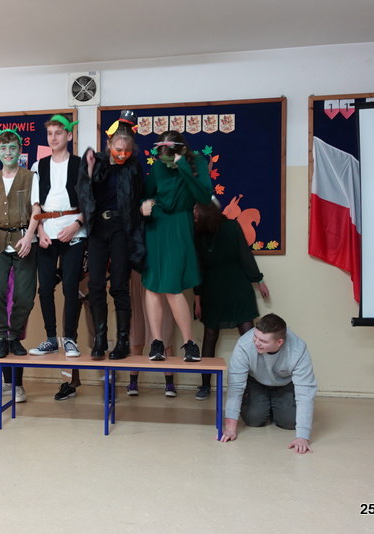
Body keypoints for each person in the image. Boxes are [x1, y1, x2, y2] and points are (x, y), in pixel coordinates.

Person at [26, 114, 89, 401]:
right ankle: (51, 338)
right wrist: (40, 230)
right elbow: (36, 204)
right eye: (50, 133)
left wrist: (76, 225)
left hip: (73, 230)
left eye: (58, 133)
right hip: (47, 232)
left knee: (70, 287)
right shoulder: (39, 166)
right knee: (45, 288)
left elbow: (89, 201)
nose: (53, 138)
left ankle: (70, 339)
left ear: (69, 136)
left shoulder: (80, 165)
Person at [77, 110, 144, 361]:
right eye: (118, 149)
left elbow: (138, 197)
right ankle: (100, 338)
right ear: (108, 145)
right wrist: (89, 171)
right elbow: (84, 194)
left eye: (127, 151)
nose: (122, 154)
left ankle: (123, 341)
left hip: (121, 229)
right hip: (98, 229)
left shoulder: (134, 167)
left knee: (118, 286)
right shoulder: (96, 161)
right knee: (95, 285)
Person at [0, 128, 40, 403]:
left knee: (25, 295)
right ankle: (2, 338)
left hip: (24, 240)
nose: (8, 152)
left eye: (12, 148)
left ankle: (15, 336)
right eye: (3, 148)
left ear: (19, 151)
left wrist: (29, 237)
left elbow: (36, 210)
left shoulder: (30, 177)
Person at [140, 130, 212, 363]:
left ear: (180, 151)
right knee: (152, 285)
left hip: (180, 224)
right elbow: (145, 194)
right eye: (162, 158)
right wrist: (144, 205)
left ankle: (190, 343)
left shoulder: (197, 162)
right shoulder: (159, 167)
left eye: (169, 158)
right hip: (157, 225)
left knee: (172, 286)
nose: (165, 162)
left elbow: (204, 195)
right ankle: (157, 342)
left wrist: (182, 166)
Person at [193, 199, 270, 400]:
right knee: (210, 334)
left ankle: (256, 385)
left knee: (250, 337)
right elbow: (198, 268)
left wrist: (259, 280)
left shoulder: (231, 226)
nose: (194, 214)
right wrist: (197, 298)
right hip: (212, 288)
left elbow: (245, 255)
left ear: (205, 211)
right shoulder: (198, 234)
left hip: (237, 285)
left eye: (196, 210)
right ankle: (205, 385)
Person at [220, 313, 317, 454]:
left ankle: (275, 404)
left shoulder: (298, 349)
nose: (256, 342)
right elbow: (235, 386)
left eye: (263, 341)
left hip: (285, 384)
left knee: (289, 422)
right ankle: (265, 404)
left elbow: (305, 392)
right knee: (254, 419)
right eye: (255, 336)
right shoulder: (244, 344)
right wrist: (230, 429)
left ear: (279, 342)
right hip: (256, 382)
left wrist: (303, 437)